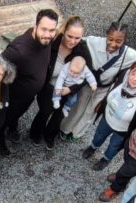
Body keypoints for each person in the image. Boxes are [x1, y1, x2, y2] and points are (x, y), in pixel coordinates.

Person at [61, 22, 136, 143]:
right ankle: (65, 129)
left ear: (124, 40)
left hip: (104, 88)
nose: (113, 44)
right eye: (110, 39)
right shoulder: (94, 42)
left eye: (119, 41)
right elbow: (74, 40)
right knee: (78, 107)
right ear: (106, 35)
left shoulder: (129, 54)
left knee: (91, 111)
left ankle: (77, 133)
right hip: (88, 85)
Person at [83, 59, 136, 171]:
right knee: (99, 134)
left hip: (123, 129)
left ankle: (105, 159)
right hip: (108, 118)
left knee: (114, 146)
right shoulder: (124, 75)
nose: (134, 78)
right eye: (133, 73)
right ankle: (93, 147)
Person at [28, 16, 88, 150]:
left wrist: (71, 89)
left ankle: (49, 135)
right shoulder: (52, 42)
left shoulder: (82, 50)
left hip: (66, 89)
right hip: (48, 86)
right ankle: (35, 133)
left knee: (59, 115)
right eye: (70, 36)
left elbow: (87, 76)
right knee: (45, 111)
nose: (73, 41)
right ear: (63, 31)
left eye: (77, 38)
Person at [1, 8, 58, 143]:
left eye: (51, 30)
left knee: (16, 116)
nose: (48, 34)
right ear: (35, 27)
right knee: (5, 119)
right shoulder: (19, 50)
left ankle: (12, 126)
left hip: (27, 98)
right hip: (13, 98)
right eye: (44, 29)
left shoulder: (46, 41)